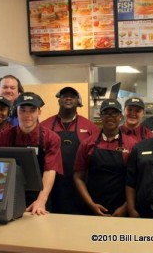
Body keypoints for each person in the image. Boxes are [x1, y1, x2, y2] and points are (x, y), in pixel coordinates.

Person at [0, 92, 63, 215]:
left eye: (32, 110)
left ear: (39, 112)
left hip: (40, 196)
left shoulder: (51, 138)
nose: (27, 115)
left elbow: (50, 170)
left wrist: (41, 201)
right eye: (23, 110)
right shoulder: (3, 137)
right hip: (10, 194)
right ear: (16, 111)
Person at [73, 99, 137, 217]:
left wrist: (125, 208)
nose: (110, 117)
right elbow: (78, 177)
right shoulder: (87, 143)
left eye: (114, 113)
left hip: (121, 209)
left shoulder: (132, 145)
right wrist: (91, 204)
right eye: (106, 113)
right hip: (92, 208)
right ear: (100, 116)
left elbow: (137, 181)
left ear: (120, 117)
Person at [41, 86, 99, 214]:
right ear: (58, 101)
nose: (68, 98)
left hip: (79, 185)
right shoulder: (44, 126)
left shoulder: (90, 127)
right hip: (51, 186)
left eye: (72, 96)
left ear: (78, 102)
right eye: (64, 96)